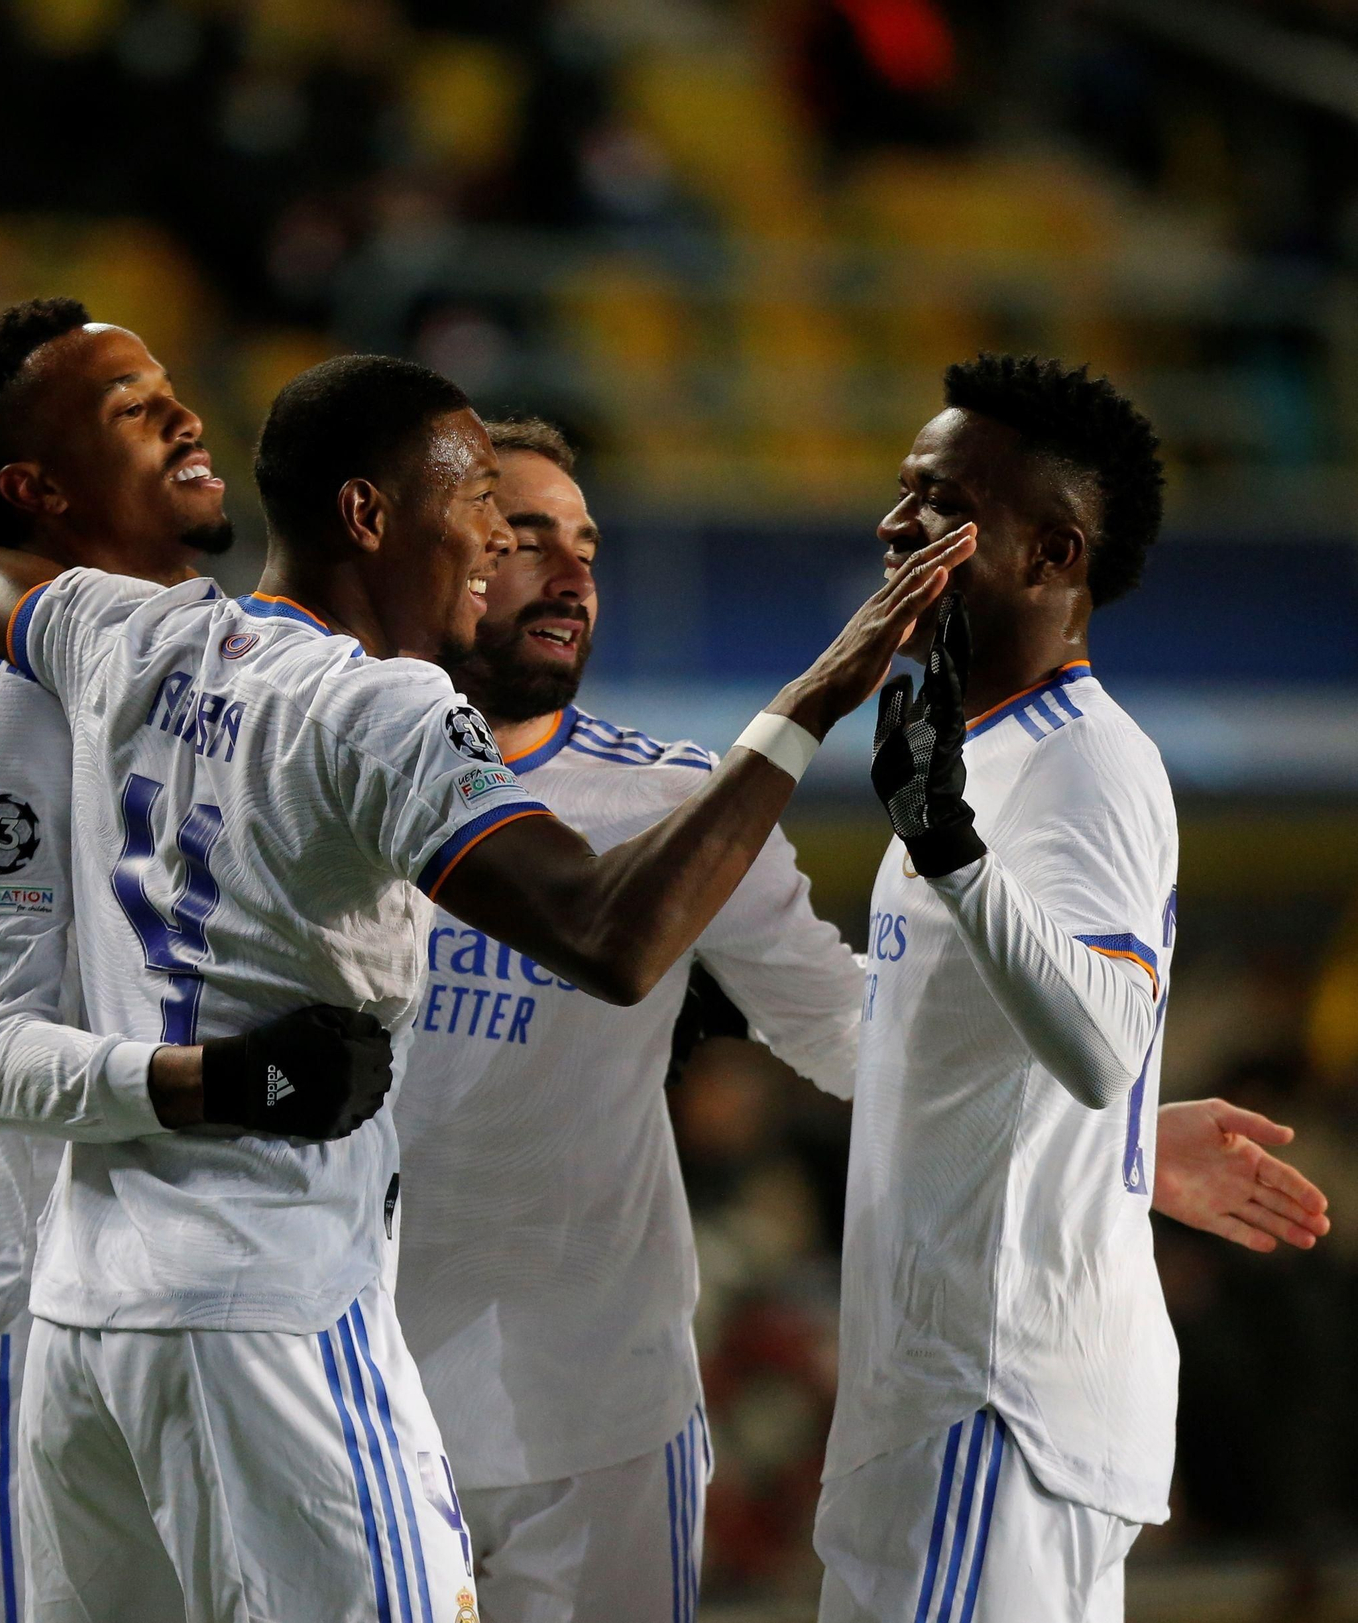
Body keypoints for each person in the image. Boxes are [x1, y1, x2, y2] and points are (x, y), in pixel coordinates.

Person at [0, 350, 971, 1623]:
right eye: (480, 511)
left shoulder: (137, 631)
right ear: (368, 515)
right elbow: (608, 936)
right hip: (279, 1307)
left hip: (94, 1320)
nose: (496, 546)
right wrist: (812, 703)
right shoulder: (386, 712)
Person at [391, 416, 1331, 1623]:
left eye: (588, 545)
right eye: (526, 538)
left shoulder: (678, 802)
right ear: (445, 552)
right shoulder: (338, 762)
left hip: (593, 1413)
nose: (571, 572)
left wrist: (1115, 1134)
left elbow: (845, 1021)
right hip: (366, 1383)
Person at [0, 300, 393, 1623]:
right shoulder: (6, 716)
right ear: (39, 491)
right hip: (13, 1329)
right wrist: (231, 1081)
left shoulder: (209, 683)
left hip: (174, 1318)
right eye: (129, 405)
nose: (182, 412)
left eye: (170, 385)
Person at [816, 353, 1272, 1621]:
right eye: (902, 489)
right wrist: (1122, 1152)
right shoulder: (979, 752)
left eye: (941, 501)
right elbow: (956, 1028)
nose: (894, 524)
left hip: (995, 1397)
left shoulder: (1085, 763)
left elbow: (1102, 1039)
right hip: (940, 1397)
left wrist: (951, 852)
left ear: (1051, 553)